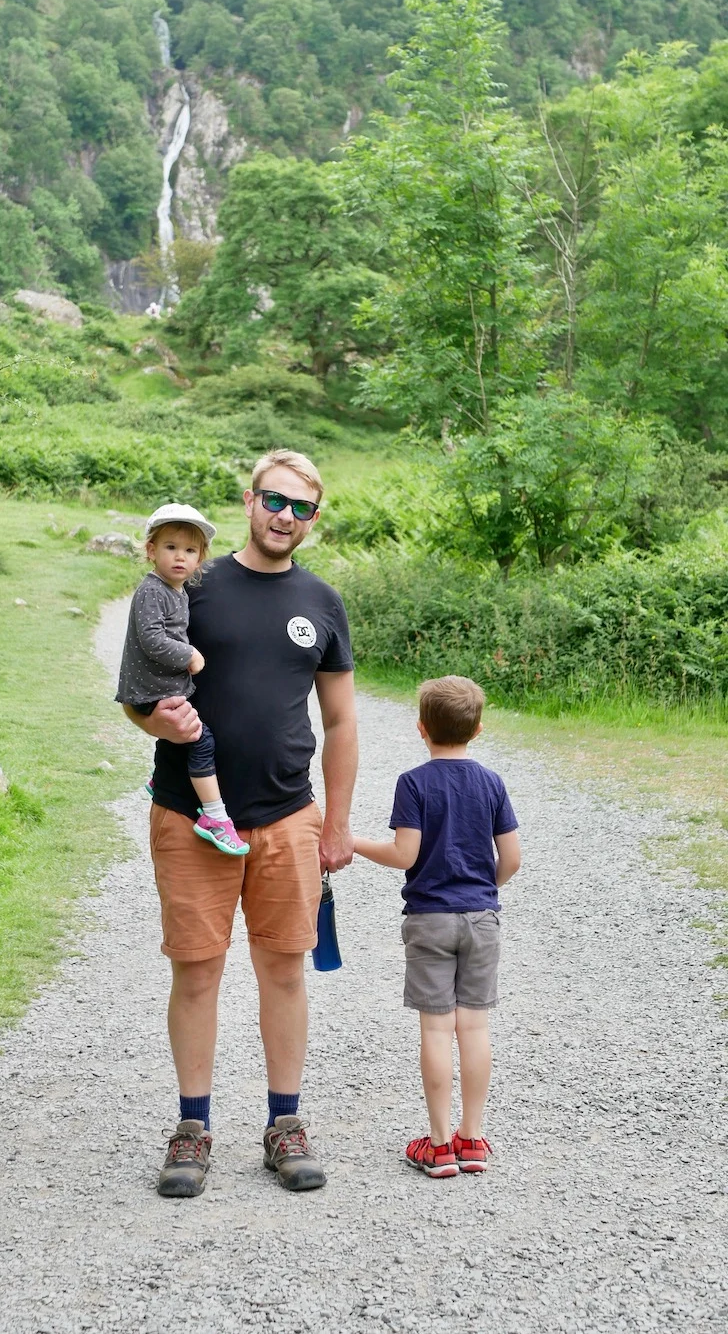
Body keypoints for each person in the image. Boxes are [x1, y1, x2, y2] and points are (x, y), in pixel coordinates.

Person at [122, 450, 358, 1198]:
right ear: (250, 501)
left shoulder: (321, 601)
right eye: (274, 501)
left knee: (285, 969)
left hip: (290, 817)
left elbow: (342, 718)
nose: (285, 516)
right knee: (197, 969)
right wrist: (148, 717)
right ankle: (192, 1126)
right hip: (191, 815)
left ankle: (284, 1123)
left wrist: (337, 822)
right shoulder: (193, 584)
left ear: (313, 520)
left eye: (302, 508)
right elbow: (138, 689)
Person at [353, 675, 521, 1178]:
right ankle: (473, 1139)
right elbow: (510, 858)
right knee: (474, 1026)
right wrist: (482, 888)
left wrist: (353, 843)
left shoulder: (414, 782)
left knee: (435, 1027)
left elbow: (405, 853)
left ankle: (440, 1143)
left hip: (428, 919)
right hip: (481, 918)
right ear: (479, 729)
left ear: (421, 729)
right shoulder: (491, 782)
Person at [115, 503, 247, 856]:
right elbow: (152, 637)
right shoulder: (153, 590)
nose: (180, 557)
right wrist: (189, 655)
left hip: (161, 687)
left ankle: (163, 778)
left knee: (187, 728)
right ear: (151, 550)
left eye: (190, 551)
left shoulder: (177, 590)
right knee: (201, 740)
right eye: (171, 547)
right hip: (149, 689)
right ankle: (215, 817)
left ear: (200, 558)